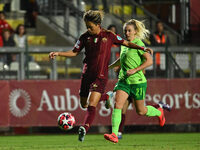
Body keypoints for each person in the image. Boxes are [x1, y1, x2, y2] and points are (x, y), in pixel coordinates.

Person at [49, 10, 153, 142]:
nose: (88, 29)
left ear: (98, 24)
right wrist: (58, 53)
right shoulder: (84, 37)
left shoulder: (109, 35)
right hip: (87, 74)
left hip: (101, 76)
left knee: (92, 104)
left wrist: (143, 49)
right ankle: (107, 96)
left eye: (90, 27)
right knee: (84, 104)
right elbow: (74, 52)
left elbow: (126, 43)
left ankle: (84, 129)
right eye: (87, 26)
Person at [104, 19, 165, 143]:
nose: (126, 33)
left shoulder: (138, 44)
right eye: (125, 30)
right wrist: (108, 67)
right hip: (124, 81)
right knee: (118, 105)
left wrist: (135, 70)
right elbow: (121, 60)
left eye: (129, 30)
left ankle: (159, 112)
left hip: (137, 82)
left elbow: (150, 61)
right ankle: (114, 134)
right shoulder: (124, 44)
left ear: (135, 31)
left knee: (141, 111)